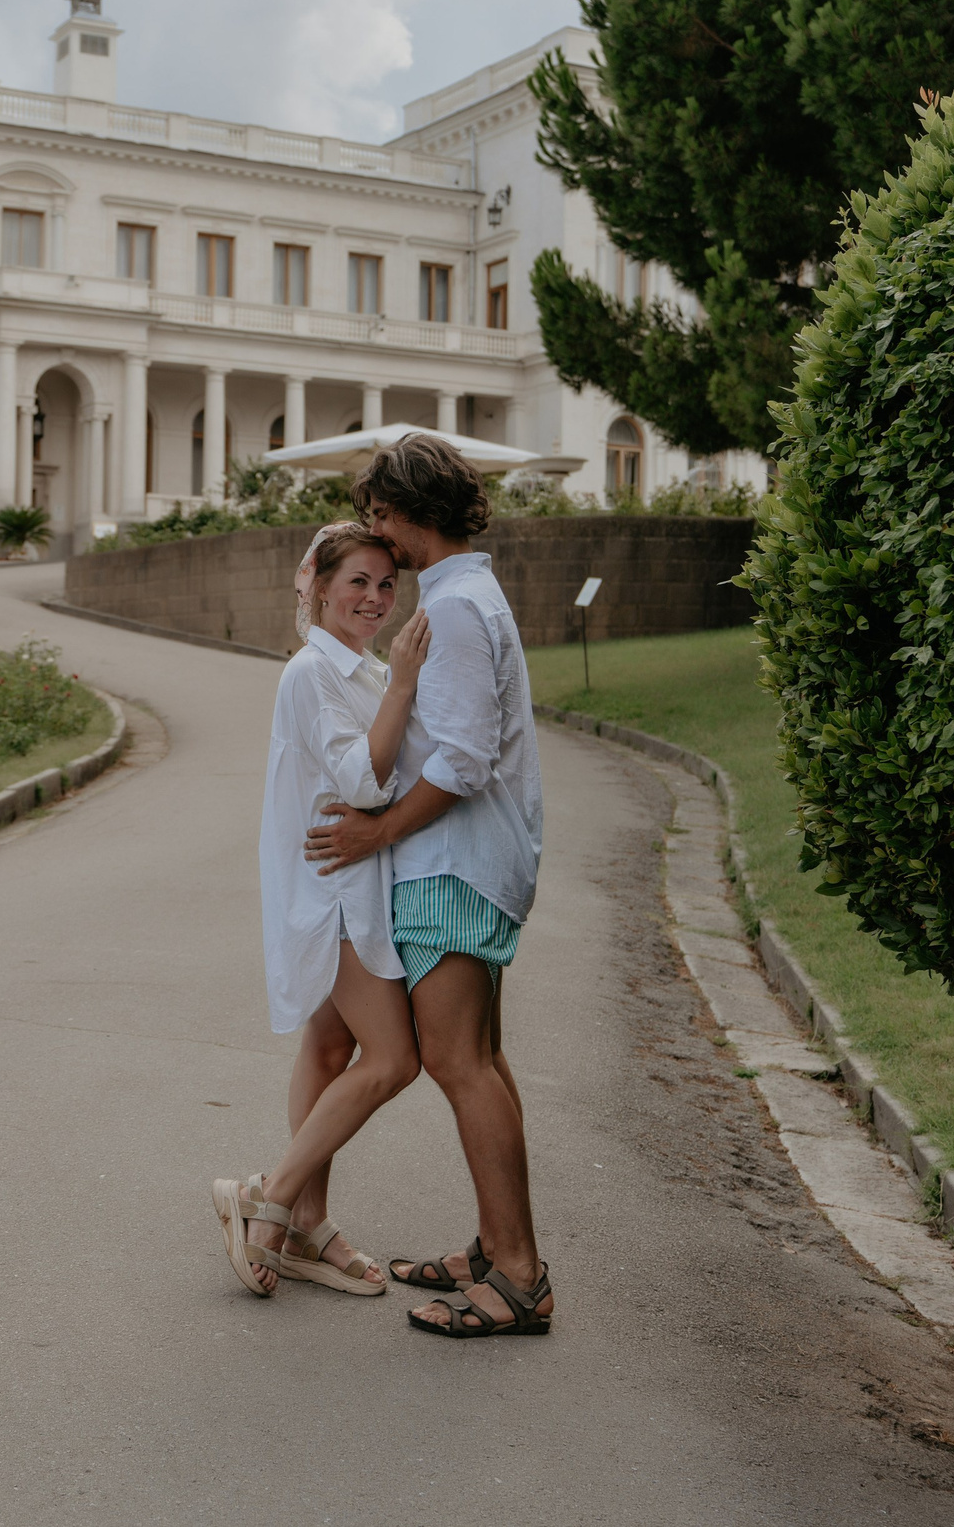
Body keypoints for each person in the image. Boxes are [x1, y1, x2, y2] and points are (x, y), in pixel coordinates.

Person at [305, 433, 551, 1339]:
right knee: (480, 1057)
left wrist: (377, 829)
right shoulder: (465, 596)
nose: (377, 534)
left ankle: (518, 1275)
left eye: (379, 515)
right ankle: (498, 1248)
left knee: (457, 1062)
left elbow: (460, 759)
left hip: (451, 865)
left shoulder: (453, 609)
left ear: (412, 511)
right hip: (473, 861)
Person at [214, 522, 428, 1297]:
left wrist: (392, 681)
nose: (374, 599)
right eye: (359, 583)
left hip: (358, 884)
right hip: (336, 892)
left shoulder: (362, 669)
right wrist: (404, 684)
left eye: (385, 585)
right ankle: (269, 1202)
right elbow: (363, 782)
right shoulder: (314, 672)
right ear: (322, 587)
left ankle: (308, 1220)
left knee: (330, 1043)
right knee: (395, 1058)